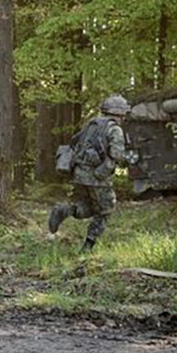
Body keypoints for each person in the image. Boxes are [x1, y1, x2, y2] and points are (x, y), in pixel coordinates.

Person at [48, 94, 131, 252]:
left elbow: (75, 142)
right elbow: (117, 155)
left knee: (87, 206)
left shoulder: (91, 124)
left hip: (79, 174)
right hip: (98, 177)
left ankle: (65, 210)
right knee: (106, 210)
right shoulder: (114, 129)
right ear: (119, 113)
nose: (125, 116)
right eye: (124, 113)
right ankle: (88, 246)